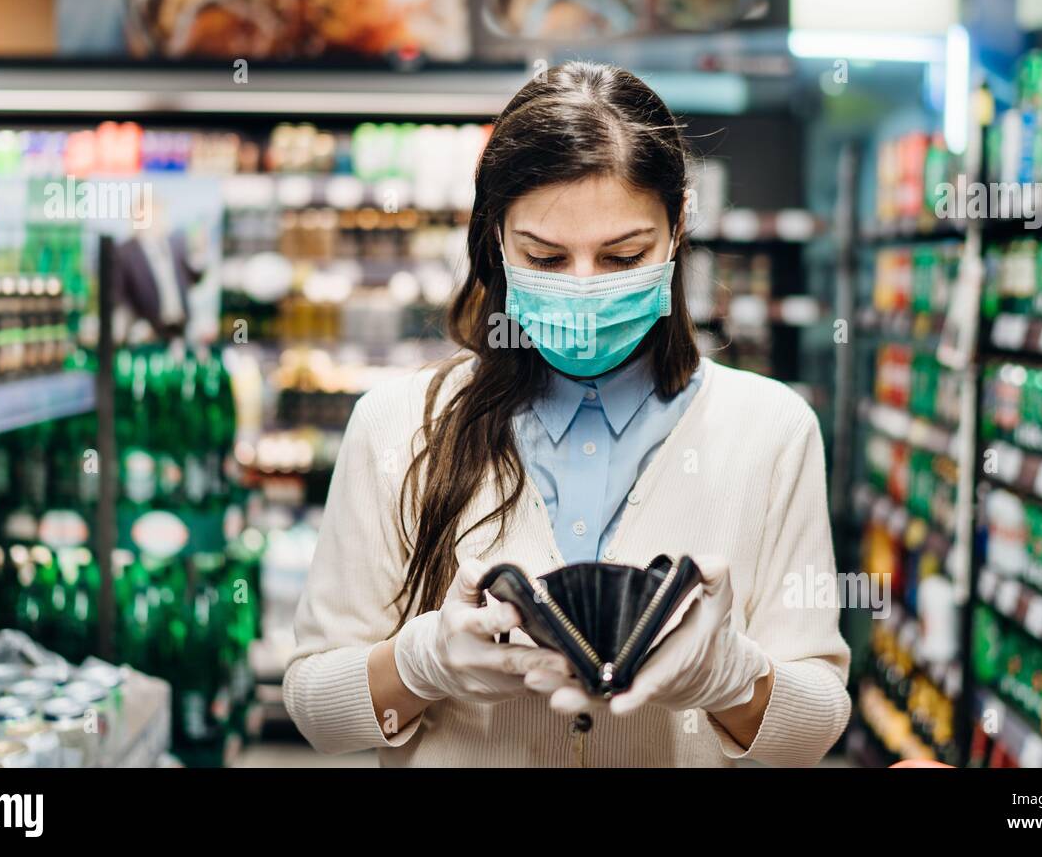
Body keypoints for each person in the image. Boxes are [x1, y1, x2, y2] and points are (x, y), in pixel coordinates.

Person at [284, 61, 851, 766]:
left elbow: (818, 722)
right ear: (496, 240)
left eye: (623, 256)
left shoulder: (771, 430)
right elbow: (315, 708)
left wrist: (732, 677)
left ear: (677, 230)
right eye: (546, 258)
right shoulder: (397, 427)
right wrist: (422, 661)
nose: (584, 291)